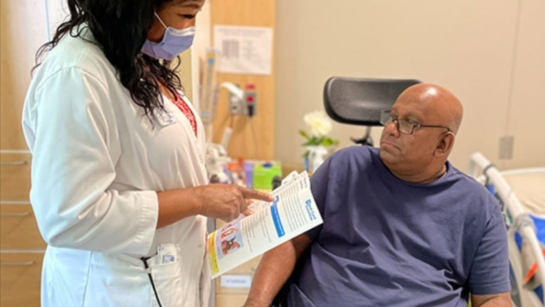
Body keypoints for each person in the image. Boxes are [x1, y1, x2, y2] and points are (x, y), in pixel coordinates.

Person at [22, 0, 273, 306]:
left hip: (161, 274)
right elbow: (70, 217)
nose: (189, 29)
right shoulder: (76, 74)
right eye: (186, 14)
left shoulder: (132, 58)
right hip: (114, 287)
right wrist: (199, 199)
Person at [244, 84, 512, 307]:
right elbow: (289, 240)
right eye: (392, 117)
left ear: (443, 144)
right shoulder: (346, 167)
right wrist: (255, 304)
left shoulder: (479, 206)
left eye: (409, 123)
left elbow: (493, 297)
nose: (391, 129)